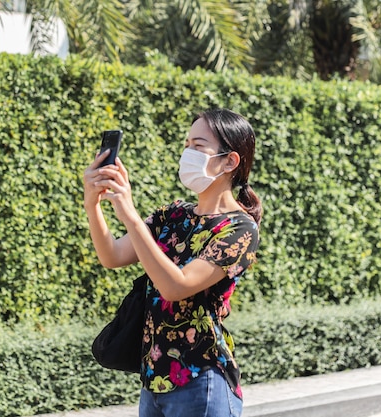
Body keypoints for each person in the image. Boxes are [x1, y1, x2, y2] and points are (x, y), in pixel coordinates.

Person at [83, 108, 261, 417]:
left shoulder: (239, 229)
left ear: (230, 161)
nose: (187, 152)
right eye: (187, 144)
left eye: (198, 145)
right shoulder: (173, 214)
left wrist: (130, 215)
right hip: (154, 380)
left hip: (200, 379)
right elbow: (112, 256)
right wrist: (92, 200)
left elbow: (176, 287)